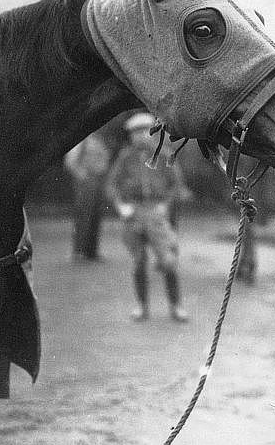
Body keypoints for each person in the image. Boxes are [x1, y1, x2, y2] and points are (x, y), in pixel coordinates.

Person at [106, 112, 191, 322]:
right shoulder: (125, 157)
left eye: (144, 131)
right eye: (135, 133)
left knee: (169, 262)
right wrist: (121, 206)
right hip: (134, 213)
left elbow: (177, 186)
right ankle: (141, 305)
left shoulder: (164, 155)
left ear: (153, 133)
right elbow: (111, 186)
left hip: (156, 213)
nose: (140, 136)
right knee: (139, 262)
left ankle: (176, 305)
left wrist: (165, 206)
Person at [64, 132, 112, 263]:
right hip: (85, 182)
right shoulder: (82, 140)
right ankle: (79, 252)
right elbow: (71, 161)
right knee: (83, 216)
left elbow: (104, 159)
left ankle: (92, 252)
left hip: (98, 180)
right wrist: (82, 176)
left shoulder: (99, 140)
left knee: (96, 216)